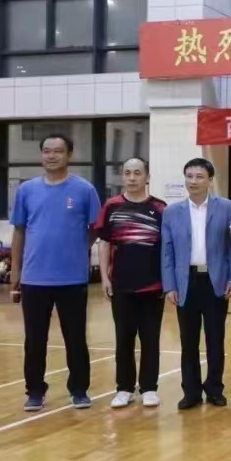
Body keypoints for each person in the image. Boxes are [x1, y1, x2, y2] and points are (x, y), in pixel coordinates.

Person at [10, 133, 101, 412]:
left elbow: (95, 229)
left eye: (58, 151)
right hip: (34, 278)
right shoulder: (26, 190)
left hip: (72, 278)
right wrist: (16, 273)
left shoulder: (84, 189)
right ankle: (35, 391)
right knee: (34, 340)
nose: (51, 156)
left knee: (76, 338)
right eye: (47, 151)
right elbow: (19, 232)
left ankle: (79, 390)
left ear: (69, 155)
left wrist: (77, 248)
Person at [161, 158, 231, 410]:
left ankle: (215, 389)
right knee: (188, 342)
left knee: (215, 340)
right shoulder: (172, 212)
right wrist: (170, 286)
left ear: (210, 180)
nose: (193, 181)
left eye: (199, 177)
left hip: (215, 281)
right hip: (185, 282)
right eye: (189, 176)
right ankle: (191, 392)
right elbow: (167, 252)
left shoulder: (225, 206)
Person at [96, 158, 167, 409]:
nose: (132, 177)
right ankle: (124, 388)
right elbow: (105, 243)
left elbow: (167, 248)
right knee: (123, 338)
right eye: (127, 173)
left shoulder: (160, 208)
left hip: (153, 285)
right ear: (122, 177)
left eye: (137, 173)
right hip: (121, 284)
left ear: (147, 177)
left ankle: (149, 388)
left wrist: (168, 282)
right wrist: (105, 277)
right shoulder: (112, 206)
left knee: (150, 338)